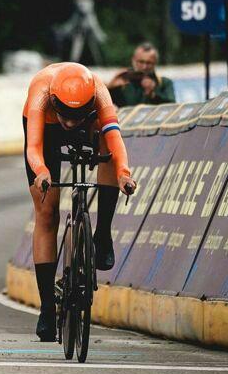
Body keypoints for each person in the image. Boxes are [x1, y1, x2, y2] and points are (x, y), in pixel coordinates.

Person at [23, 62, 136, 342]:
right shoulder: (41, 93)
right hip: (47, 128)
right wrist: (42, 172)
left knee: (105, 148)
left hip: (92, 123)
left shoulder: (99, 93)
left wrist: (123, 174)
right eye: (67, 116)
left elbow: (116, 140)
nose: (71, 123)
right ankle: (48, 309)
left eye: (78, 116)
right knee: (47, 214)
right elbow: (33, 148)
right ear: (54, 101)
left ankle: (103, 232)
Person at [107, 43, 175, 106]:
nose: (144, 67)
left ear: (155, 63)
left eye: (149, 63)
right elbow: (101, 105)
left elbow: (172, 107)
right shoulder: (123, 82)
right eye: (141, 62)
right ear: (133, 60)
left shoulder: (164, 83)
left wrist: (153, 95)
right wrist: (110, 87)